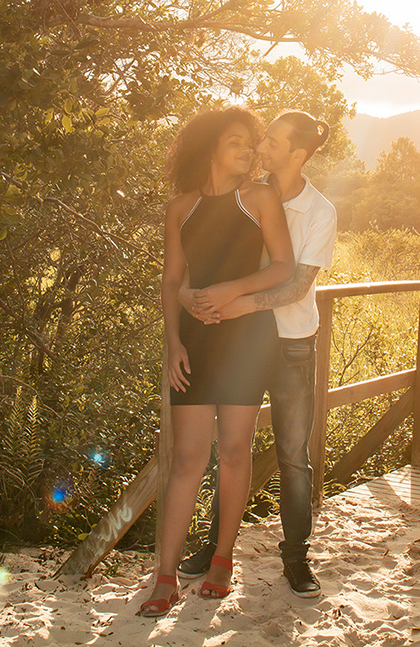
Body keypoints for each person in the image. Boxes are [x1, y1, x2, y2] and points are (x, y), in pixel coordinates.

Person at [139, 106, 296, 617]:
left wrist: (232, 288)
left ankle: (222, 559)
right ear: (211, 147)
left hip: (246, 337)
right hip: (196, 342)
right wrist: (173, 343)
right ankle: (165, 575)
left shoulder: (259, 197)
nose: (248, 149)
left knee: (233, 449)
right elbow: (171, 280)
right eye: (236, 141)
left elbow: (283, 266)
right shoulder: (180, 208)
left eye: (252, 142)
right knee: (185, 459)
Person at [178, 110, 337, 598]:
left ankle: (295, 559)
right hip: (238, 342)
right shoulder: (244, 194)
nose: (261, 145)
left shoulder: (320, 211)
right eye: (262, 137)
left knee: (292, 454)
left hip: (289, 344)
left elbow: (297, 284)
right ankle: (214, 548)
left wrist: (236, 300)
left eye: (272, 140)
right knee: (230, 447)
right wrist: (194, 298)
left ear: (298, 154)